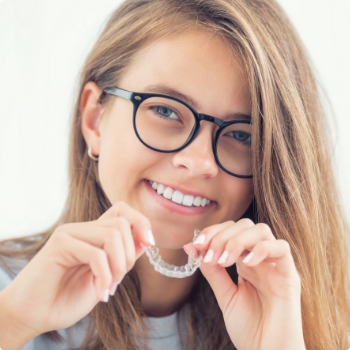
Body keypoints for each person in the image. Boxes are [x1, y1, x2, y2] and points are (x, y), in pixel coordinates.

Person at [0, 0, 349, 349]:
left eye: (241, 134)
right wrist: (12, 321)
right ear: (94, 120)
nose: (199, 161)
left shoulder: (320, 322)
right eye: (165, 110)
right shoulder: (9, 293)